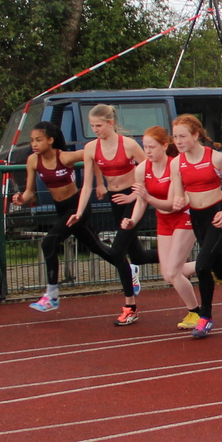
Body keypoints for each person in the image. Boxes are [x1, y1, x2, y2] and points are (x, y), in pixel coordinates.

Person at [16, 120, 130, 313]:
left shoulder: (65, 158)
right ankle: (128, 271)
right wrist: (21, 198)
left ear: (50, 140)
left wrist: (100, 183)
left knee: (48, 243)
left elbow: (92, 154)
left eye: (38, 140)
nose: (34, 144)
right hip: (62, 209)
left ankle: (51, 295)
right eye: (32, 141)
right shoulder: (33, 161)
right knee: (99, 249)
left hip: (78, 207)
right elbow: (29, 193)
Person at [75, 103, 150, 326]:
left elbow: (151, 170)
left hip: (133, 199)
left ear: (111, 123)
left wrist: (136, 195)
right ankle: (185, 264)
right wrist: (78, 213)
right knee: (136, 255)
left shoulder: (128, 145)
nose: (95, 129)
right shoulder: (91, 148)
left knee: (117, 251)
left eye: (99, 125)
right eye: (92, 126)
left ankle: (130, 307)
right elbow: (86, 184)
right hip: (115, 200)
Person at [174, 114, 222, 339]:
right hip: (198, 218)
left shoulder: (216, 158)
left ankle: (205, 317)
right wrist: (179, 200)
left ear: (195, 135)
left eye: (182, 136)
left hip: (218, 215)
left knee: (202, 266)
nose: (178, 141)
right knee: (220, 269)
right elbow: (178, 192)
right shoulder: (177, 162)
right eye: (175, 137)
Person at [135, 125, 200, 328]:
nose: (147, 151)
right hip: (163, 220)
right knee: (167, 274)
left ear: (164, 146)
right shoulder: (141, 169)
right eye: (145, 147)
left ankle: (195, 313)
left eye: (152, 147)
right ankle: (209, 263)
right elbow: (140, 202)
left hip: (183, 217)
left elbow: (172, 205)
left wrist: (148, 196)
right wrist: (132, 221)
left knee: (173, 272)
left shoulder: (174, 166)